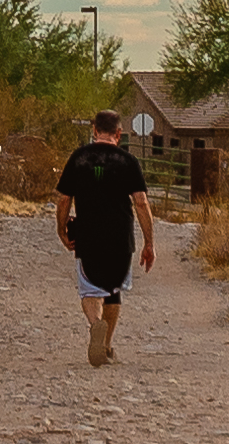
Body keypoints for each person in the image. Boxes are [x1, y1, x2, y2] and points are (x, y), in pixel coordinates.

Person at [51, 108, 157, 366]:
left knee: (90, 290)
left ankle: (96, 325)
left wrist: (62, 229)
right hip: (121, 237)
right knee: (113, 290)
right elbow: (141, 203)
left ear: (94, 130)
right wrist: (149, 243)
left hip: (88, 235)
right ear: (119, 133)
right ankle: (107, 345)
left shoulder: (78, 158)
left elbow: (64, 199)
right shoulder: (128, 161)